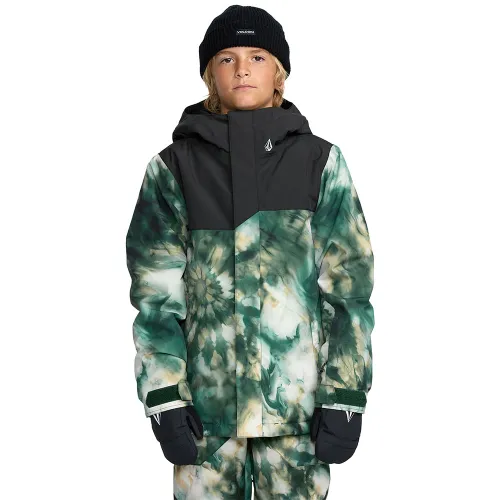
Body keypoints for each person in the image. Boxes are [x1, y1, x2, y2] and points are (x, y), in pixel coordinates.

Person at [125, 5, 375, 499]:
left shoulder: (319, 162)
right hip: (206, 415)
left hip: (298, 413)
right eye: (227, 58)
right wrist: (165, 396)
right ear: (210, 74)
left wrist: (345, 394)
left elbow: (348, 289)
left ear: (279, 72)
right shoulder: (173, 169)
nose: (242, 69)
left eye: (257, 57)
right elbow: (155, 296)